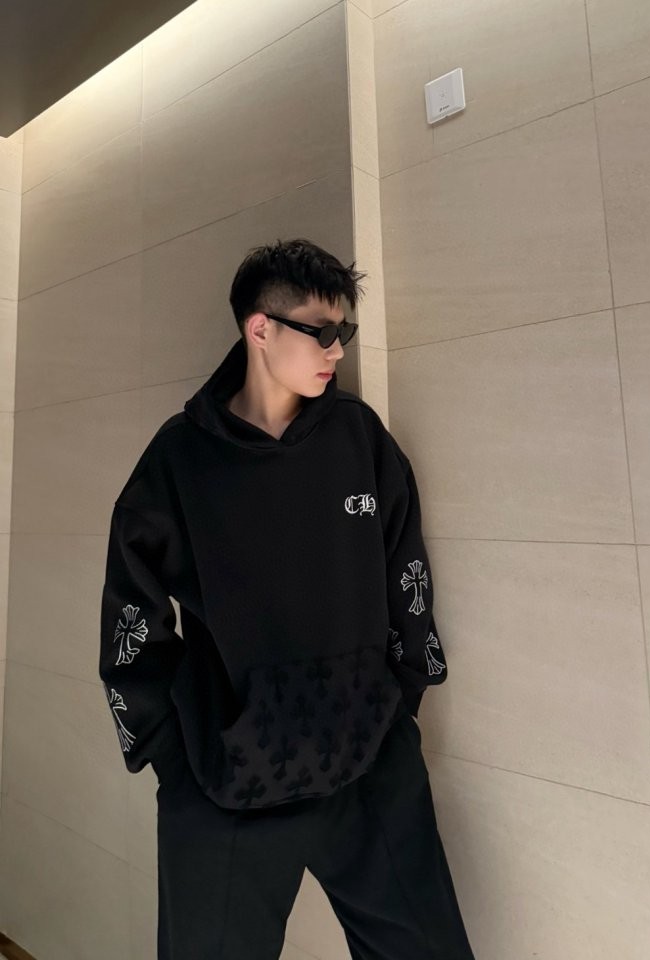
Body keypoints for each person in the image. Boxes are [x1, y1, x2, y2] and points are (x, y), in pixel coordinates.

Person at [98, 237, 476, 959]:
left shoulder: (359, 437)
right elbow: (129, 612)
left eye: (345, 332)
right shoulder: (179, 459)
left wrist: (401, 695)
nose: (337, 350)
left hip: (369, 765)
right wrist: (167, 753)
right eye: (321, 331)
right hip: (226, 780)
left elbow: (407, 572)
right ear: (260, 328)